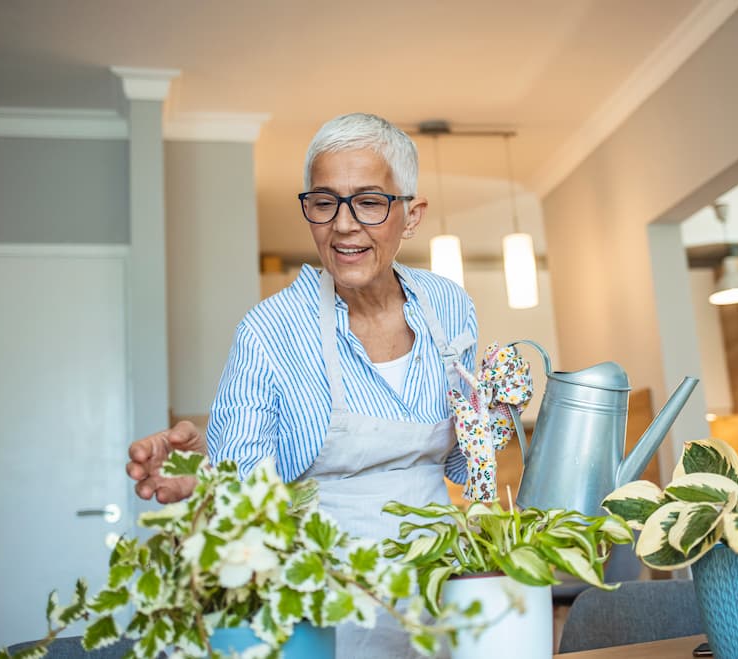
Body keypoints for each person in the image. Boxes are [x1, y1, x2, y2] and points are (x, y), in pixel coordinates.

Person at [126, 112, 476, 658]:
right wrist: (202, 477)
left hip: (440, 594)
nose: (343, 224)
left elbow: (467, 457)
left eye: (369, 201)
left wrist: (499, 410)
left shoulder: (450, 306)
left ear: (411, 215)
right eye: (324, 201)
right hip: (318, 604)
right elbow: (241, 489)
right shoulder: (268, 333)